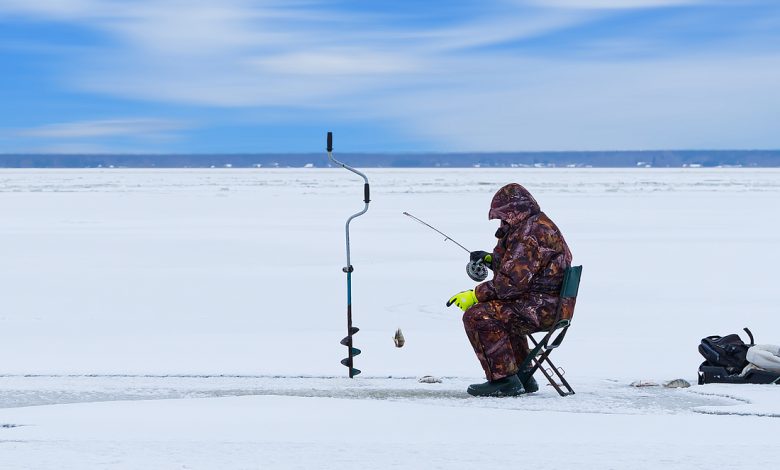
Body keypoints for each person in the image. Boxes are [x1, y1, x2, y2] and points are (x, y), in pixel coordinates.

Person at [447, 183, 573, 397]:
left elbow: (509, 285)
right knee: (502, 312)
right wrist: (491, 259)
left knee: (477, 316)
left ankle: (504, 380)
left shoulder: (531, 234)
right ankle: (522, 375)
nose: (502, 221)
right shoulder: (535, 225)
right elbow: (521, 270)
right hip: (546, 304)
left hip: (542, 308)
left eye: (504, 216)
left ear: (516, 211)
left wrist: (474, 295)